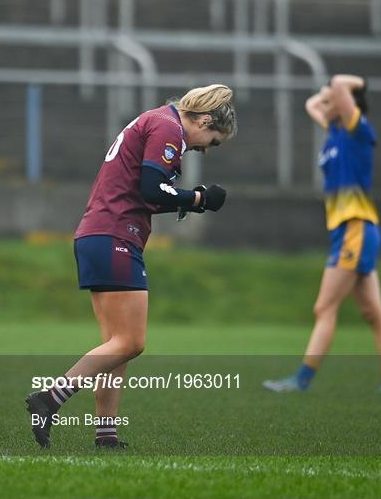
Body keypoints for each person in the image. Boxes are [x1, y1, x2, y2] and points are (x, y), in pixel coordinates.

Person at [26, 84, 238, 447]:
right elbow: (152, 190)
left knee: (116, 345)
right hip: (115, 236)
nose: (205, 148)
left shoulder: (157, 121)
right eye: (212, 140)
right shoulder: (168, 128)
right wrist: (200, 198)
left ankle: (106, 435)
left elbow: (147, 193)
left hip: (100, 234)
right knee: (131, 342)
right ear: (204, 120)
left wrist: (188, 200)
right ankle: (49, 399)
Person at [263, 74, 381, 394]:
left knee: (324, 308)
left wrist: (350, 86)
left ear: (345, 104)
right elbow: (311, 103)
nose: (325, 104)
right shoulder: (336, 131)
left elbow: (340, 83)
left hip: (356, 227)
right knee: (372, 311)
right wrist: (326, 97)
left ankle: (302, 380)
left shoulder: (357, 129)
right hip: (350, 230)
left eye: (333, 101)